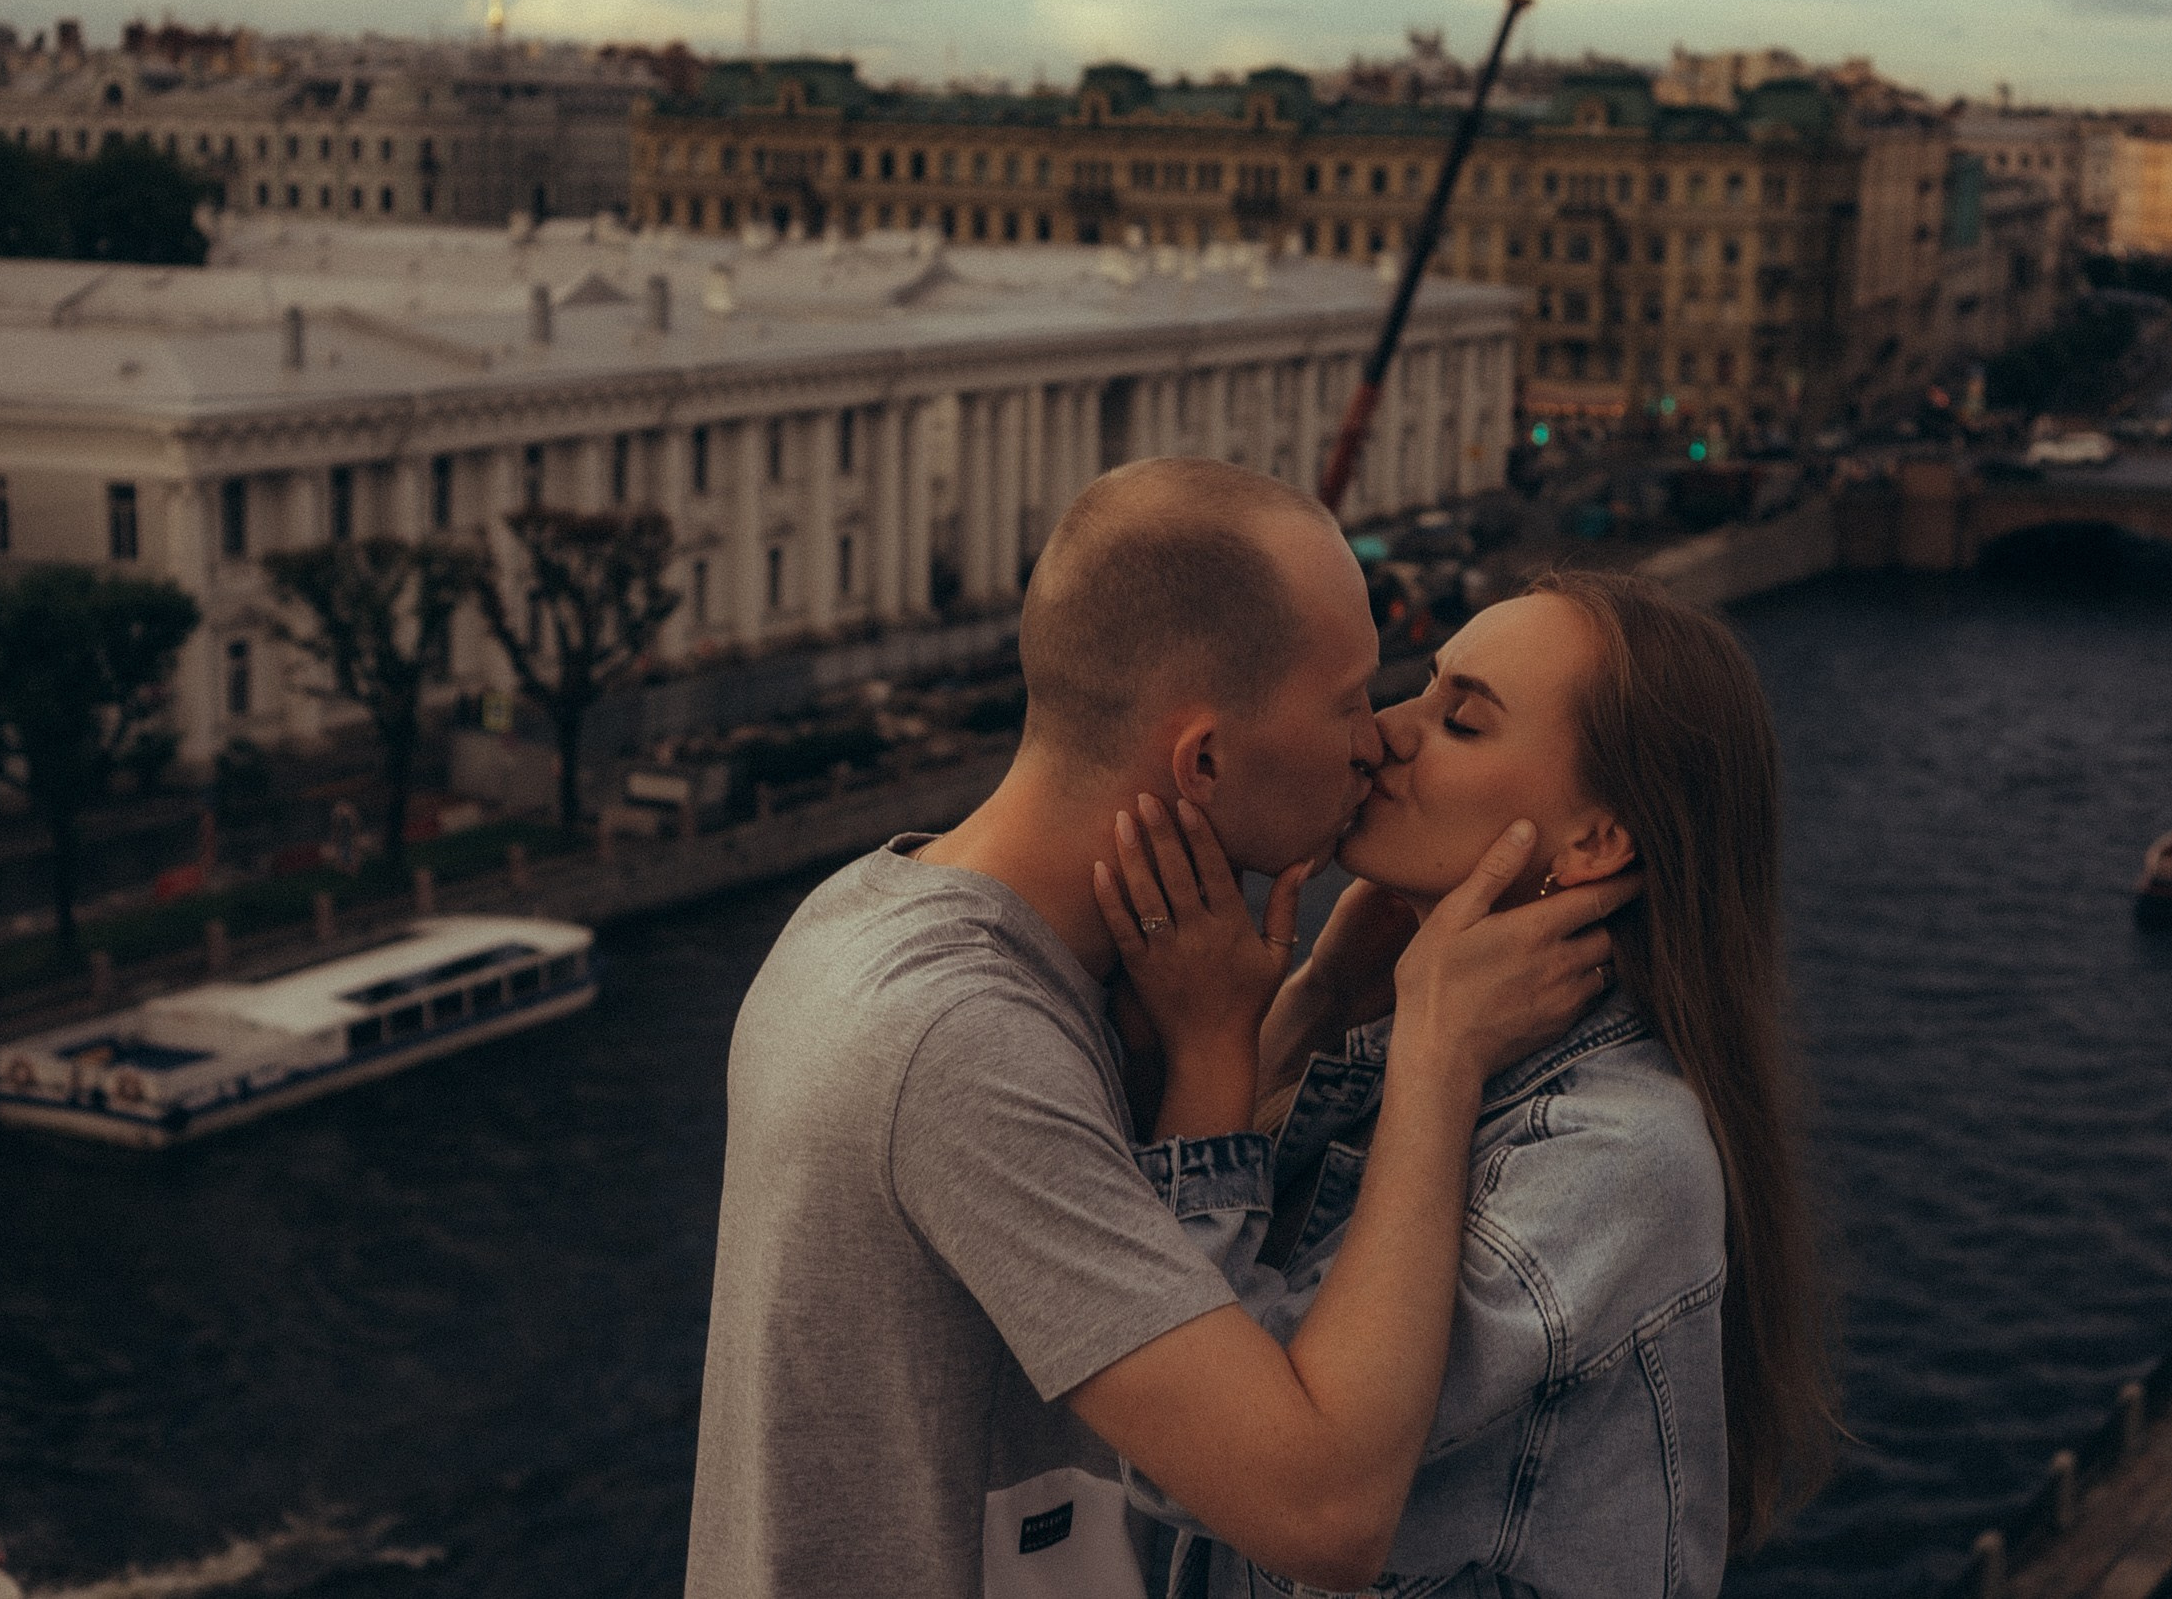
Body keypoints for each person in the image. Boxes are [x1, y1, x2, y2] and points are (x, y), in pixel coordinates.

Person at [685, 458, 1632, 1599]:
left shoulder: (873, 920)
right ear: (1204, 761)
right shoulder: (958, 1044)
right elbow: (1323, 1510)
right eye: (1346, 700)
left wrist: (1291, 1018)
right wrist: (1436, 1046)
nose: (1375, 737)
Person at [1099, 569, 1835, 1598]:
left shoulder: (1617, 1153)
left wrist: (1223, 1049)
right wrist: (1311, 1017)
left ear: (1595, 841)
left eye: (1462, 720)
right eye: (1423, 684)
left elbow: (1197, 1454)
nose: (1384, 732)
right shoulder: (1410, 1039)